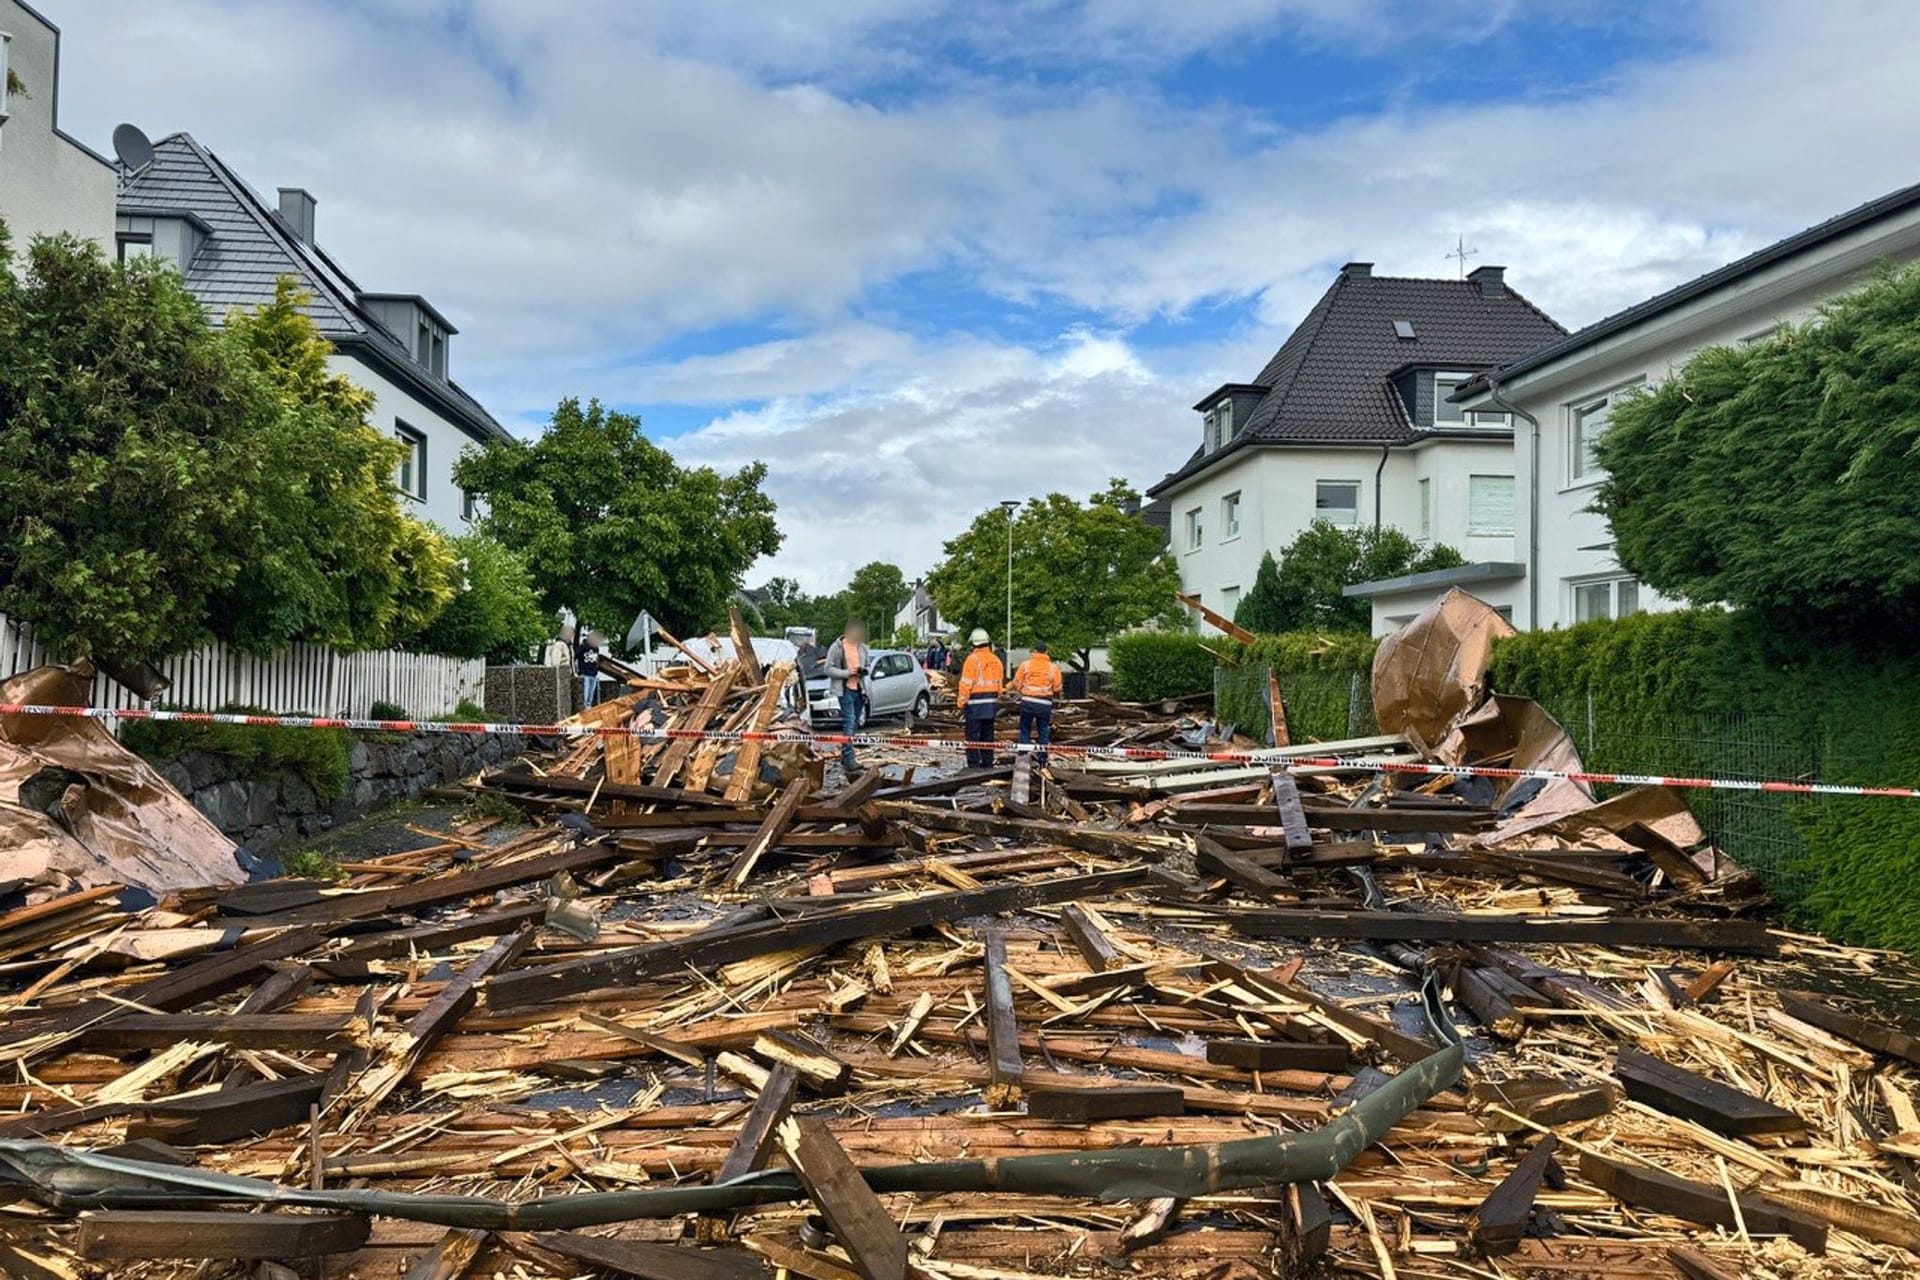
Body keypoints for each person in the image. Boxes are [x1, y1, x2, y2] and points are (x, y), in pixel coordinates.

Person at [823, 621, 868, 775]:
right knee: (849, 722)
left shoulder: (862, 647)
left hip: (859, 690)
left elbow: (867, 664)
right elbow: (828, 669)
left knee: (854, 724)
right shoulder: (837, 647)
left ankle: (845, 756)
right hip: (845, 690)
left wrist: (863, 671)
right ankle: (849, 759)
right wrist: (847, 673)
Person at [956, 627, 1005, 767]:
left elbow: (966, 684)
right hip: (991, 705)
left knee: (972, 737)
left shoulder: (972, 660)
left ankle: (974, 765)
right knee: (988, 736)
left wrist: (961, 703)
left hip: (974, 705)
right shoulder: (996, 660)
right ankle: (987, 763)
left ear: (973, 643)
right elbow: (1000, 683)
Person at [1010, 641, 1064, 766]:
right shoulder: (1053, 668)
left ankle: (1023, 756)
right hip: (1044, 703)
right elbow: (1057, 688)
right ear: (1046, 652)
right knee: (1043, 729)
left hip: (1028, 701)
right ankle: (1043, 759)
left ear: (1034, 651)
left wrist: (1023, 690)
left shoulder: (1025, 665)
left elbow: (1017, 682)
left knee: (1025, 729)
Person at [573, 629, 601, 708]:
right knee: (585, 694)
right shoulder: (583, 647)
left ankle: (589, 707)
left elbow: (596, 661)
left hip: (593, 674)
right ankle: (585, 708)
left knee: (591, 695)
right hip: (584, 673)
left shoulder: (596, 649)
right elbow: (575, 657)